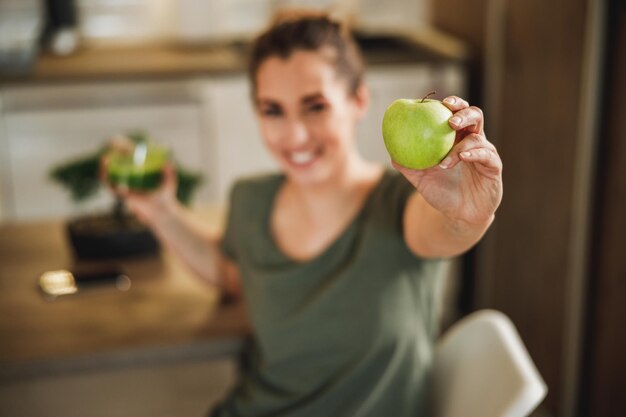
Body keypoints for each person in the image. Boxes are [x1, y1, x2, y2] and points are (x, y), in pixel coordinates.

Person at [109, 11, 503, 417]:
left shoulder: (405, 204)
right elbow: (232, 273)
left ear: (359, 101)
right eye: (273, 110)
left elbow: (451, 227)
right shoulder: (250, 200)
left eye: (315, 107)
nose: (294, 135)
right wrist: (161, 212)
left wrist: (470, 212)